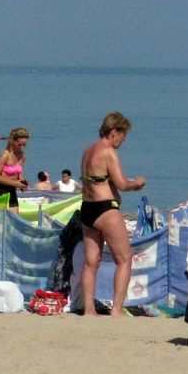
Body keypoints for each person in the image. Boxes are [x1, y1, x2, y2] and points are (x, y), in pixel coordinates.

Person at [77, 112, 146, 316]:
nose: (124, 140)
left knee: (91, 262)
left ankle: (89, 309)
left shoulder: (88, 150)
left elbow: (97, 179)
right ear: (114, 132)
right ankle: (117, 309)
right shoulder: (108, 151)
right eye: (123, 135)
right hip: (105, 209)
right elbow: (123, 184)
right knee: (124, 259)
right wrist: (138, 182)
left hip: (87, 208)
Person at [0, 128, 29, 206]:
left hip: (12, 191)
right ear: (12, 141)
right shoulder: (5, 155)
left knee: (14, 217)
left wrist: (22, 181)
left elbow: (18, 173)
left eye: (24, 145)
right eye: (19, 145)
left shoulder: (22, 156)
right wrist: (14, 183)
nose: (21, 147)